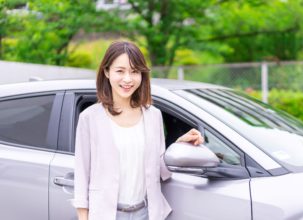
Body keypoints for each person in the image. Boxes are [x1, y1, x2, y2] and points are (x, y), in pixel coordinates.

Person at [72, 41, 204, 220]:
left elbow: (160, 171)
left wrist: (179, 145)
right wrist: (83, 217)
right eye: (120, 71)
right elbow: (82, 174)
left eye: (134, 71)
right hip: (106, 215)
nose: (128, 79)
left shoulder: (153, 115)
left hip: (146, 213)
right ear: (106, 72)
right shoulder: (90, 118)